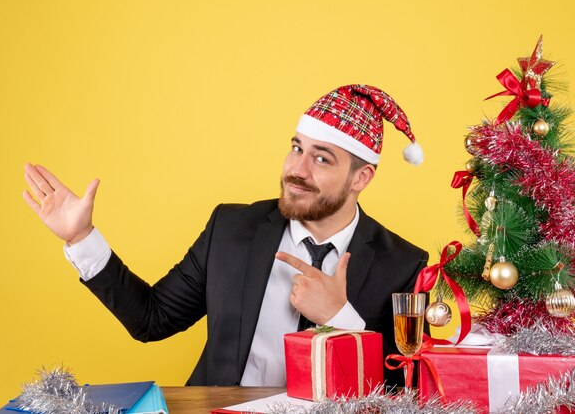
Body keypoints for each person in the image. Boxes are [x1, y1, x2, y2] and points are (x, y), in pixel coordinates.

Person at [22, 84, 429, 388]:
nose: (297, 170)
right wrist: (81, 238)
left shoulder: (404, 264)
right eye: (296, 148)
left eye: (322, 158)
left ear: (361, 177)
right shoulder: (232, 229)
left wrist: (341, 320)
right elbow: (152, 319)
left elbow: (409, 391)